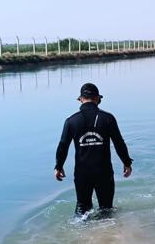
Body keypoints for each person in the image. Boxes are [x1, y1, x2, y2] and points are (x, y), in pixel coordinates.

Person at [55, 83, 133, 215]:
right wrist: (127, 163)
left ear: (81, 99)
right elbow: (119, 143)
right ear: (97, 98)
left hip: (82, 173)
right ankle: (107, 234)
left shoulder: (71, 121)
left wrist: (59, 166)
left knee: (82, 209)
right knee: (106, 209)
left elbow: (63, 146)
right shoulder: (108, 118)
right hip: (104, 171)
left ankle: (81, 233)